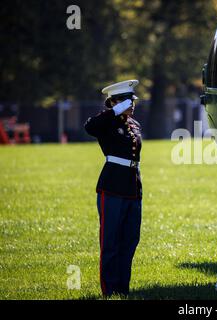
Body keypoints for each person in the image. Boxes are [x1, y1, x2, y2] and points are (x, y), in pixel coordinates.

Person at [84, 80, 143, 297]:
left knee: (129, 240)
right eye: (127, 101)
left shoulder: (134, 124)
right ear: (114, 102)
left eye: (132, 100)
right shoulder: (107, 122)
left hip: (133, 187)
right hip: (112, 186)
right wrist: (115, 110)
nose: (132, 105)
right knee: (110, 241)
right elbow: (90, 127)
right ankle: (109, 290)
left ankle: (122, 288)